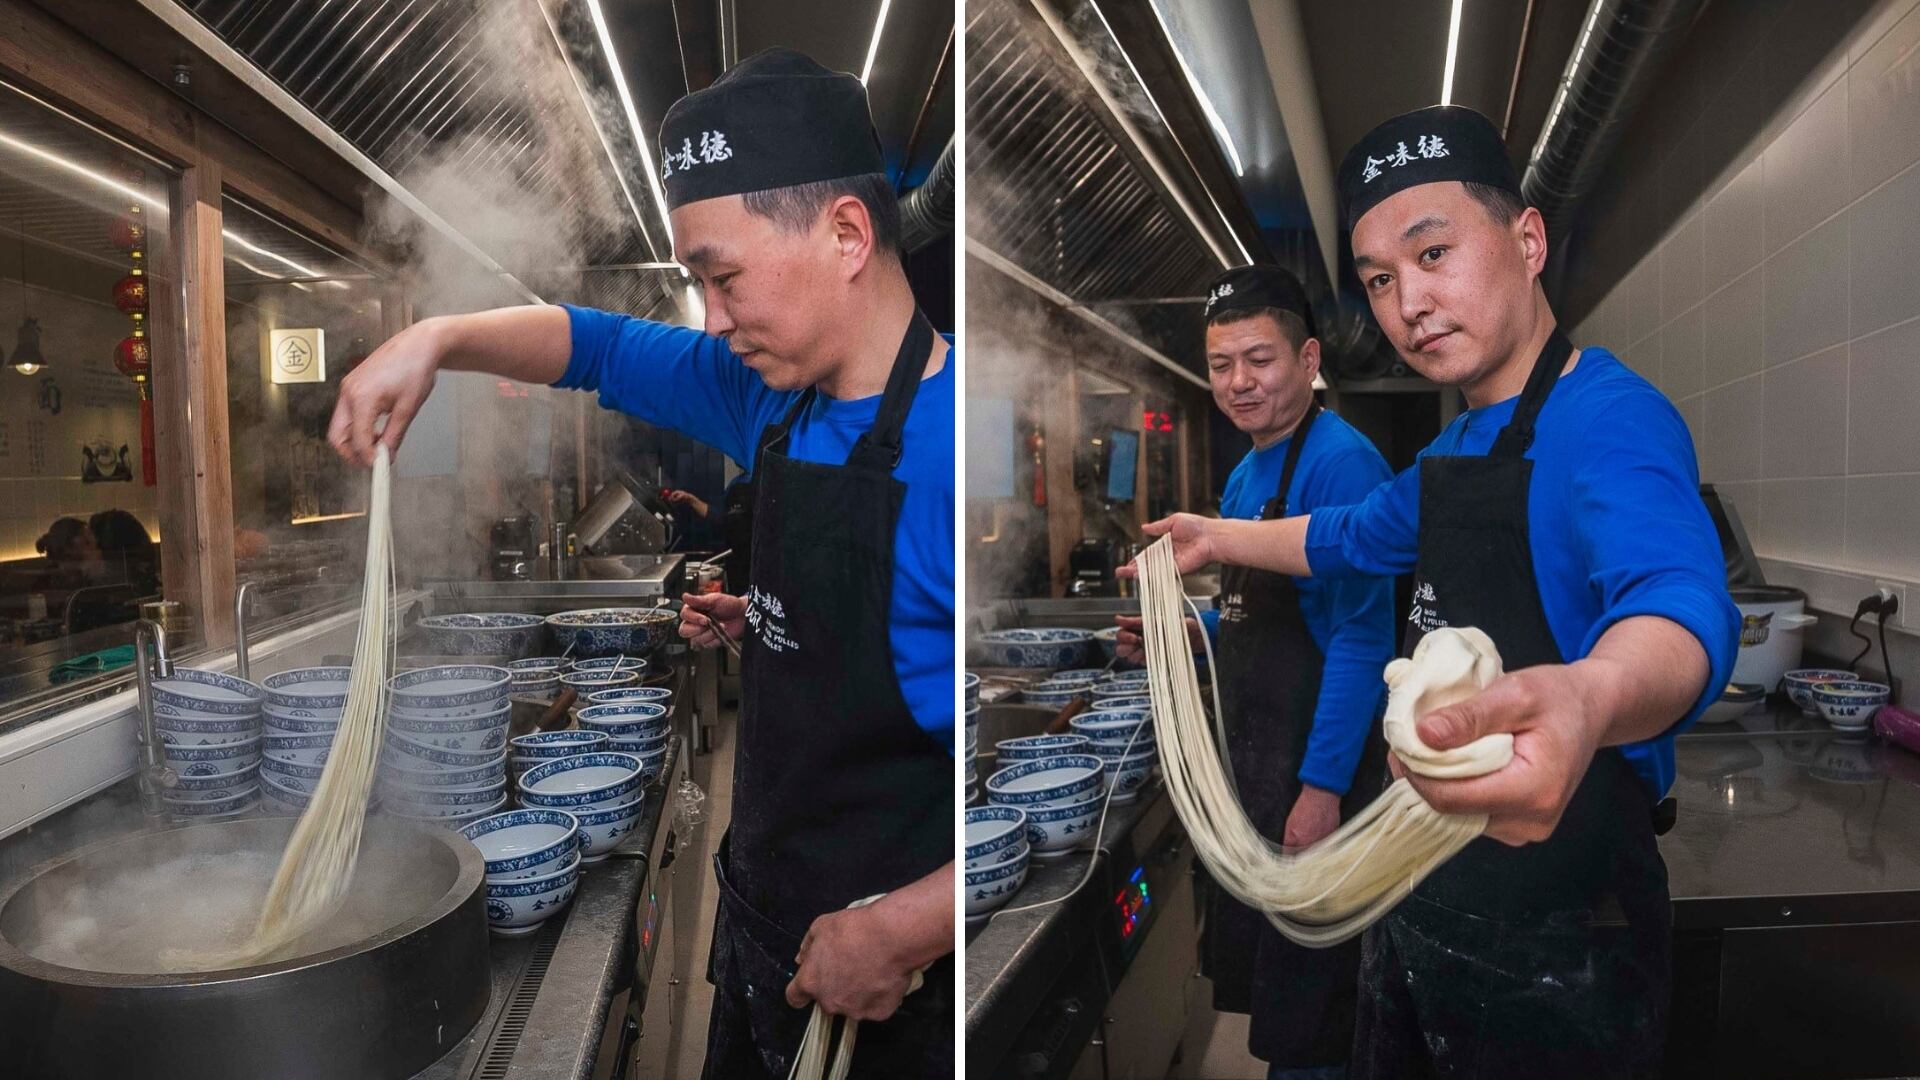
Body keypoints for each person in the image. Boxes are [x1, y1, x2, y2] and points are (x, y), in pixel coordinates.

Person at [327, 49, 954, 1078]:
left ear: (846, 233)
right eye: (695, 279)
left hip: (899, 990)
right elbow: (596, 345)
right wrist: (433, 338)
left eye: (725, 274)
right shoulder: (772, 394)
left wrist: (905, 930)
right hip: (767, 929)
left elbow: (997, 794)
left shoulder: (948, 448)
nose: (710, 316)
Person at [1126, 106, 1738, 1077]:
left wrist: (1587, 696)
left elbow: (1679, 602)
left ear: (1527, 240)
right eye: (1379, 279)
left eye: (1435, 252)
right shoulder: (1458, 445)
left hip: (1560, 923)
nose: (1408, 302)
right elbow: (1351, 537)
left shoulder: (1608, 419)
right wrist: (1215, 536)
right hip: (1430, 892)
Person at [1113, 265, 1395, 1078]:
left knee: (1319, 1008)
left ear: (1308, 359)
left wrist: (1322, 788)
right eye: (1221, 364)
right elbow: (1253, 610)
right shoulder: (1246, 472)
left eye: (1259, 360)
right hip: (1261, 769)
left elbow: (1358, 637)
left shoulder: (1341, 465)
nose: (1238, 383)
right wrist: (1181, 630)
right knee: (1285, 996)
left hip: (1314, 772)